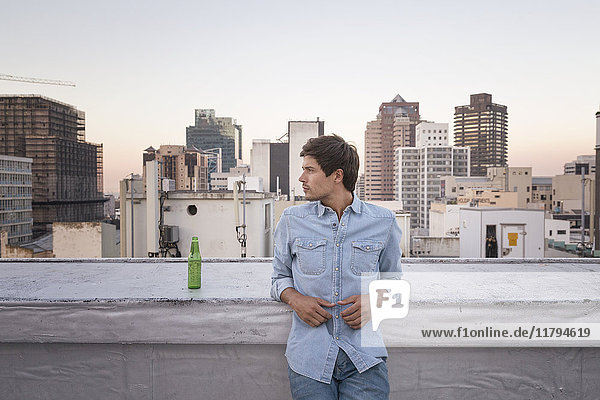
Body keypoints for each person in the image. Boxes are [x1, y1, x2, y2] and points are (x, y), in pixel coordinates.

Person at [271, 134, 402, 399]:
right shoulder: (291, 220)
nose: (301, 178)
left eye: (310, 170)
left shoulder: (384, 221)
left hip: (365, 359)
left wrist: (375, 302)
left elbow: (396, 286)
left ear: (337, 175)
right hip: (309, 358)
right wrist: (296, 299)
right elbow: (278, 278)